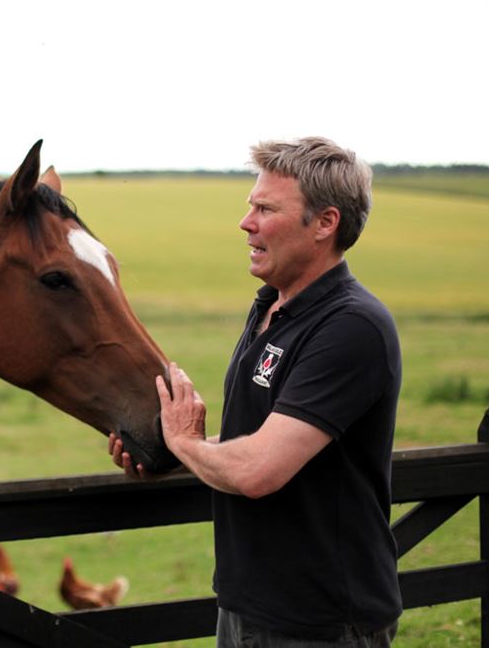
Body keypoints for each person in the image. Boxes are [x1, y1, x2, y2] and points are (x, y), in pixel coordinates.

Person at [110, 137, 402, 647]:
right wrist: (169, 455)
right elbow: (260, 439)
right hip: (247, 605)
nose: (246, 223)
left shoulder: (351, 325)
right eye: (250, 206)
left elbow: (259, 470)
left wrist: (187, 444)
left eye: (266, 209)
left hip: (319, 621)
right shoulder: (273, 307)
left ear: (325, 224)